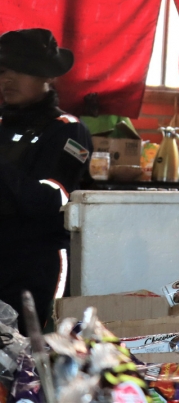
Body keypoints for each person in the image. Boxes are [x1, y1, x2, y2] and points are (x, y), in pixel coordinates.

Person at [0, 29, 92, 330]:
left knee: (33, 358)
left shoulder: (67, 131)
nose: (8, 80)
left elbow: (48, 200)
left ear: (48, 77)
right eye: (3, 71)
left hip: (36, 267)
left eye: (22, 71)